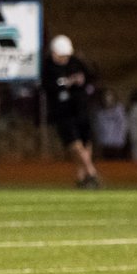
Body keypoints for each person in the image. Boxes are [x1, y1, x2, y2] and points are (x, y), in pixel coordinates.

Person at [41, 35, 100, 188]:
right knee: (73, 143)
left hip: (80, 107)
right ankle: (91, 172)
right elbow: (48, 87)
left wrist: (82, 81)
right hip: (63, 110)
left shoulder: (76, 63)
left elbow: (91, 77)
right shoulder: (48, 67)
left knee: (85, 141)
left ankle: (82, 176)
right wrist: (66, 83)